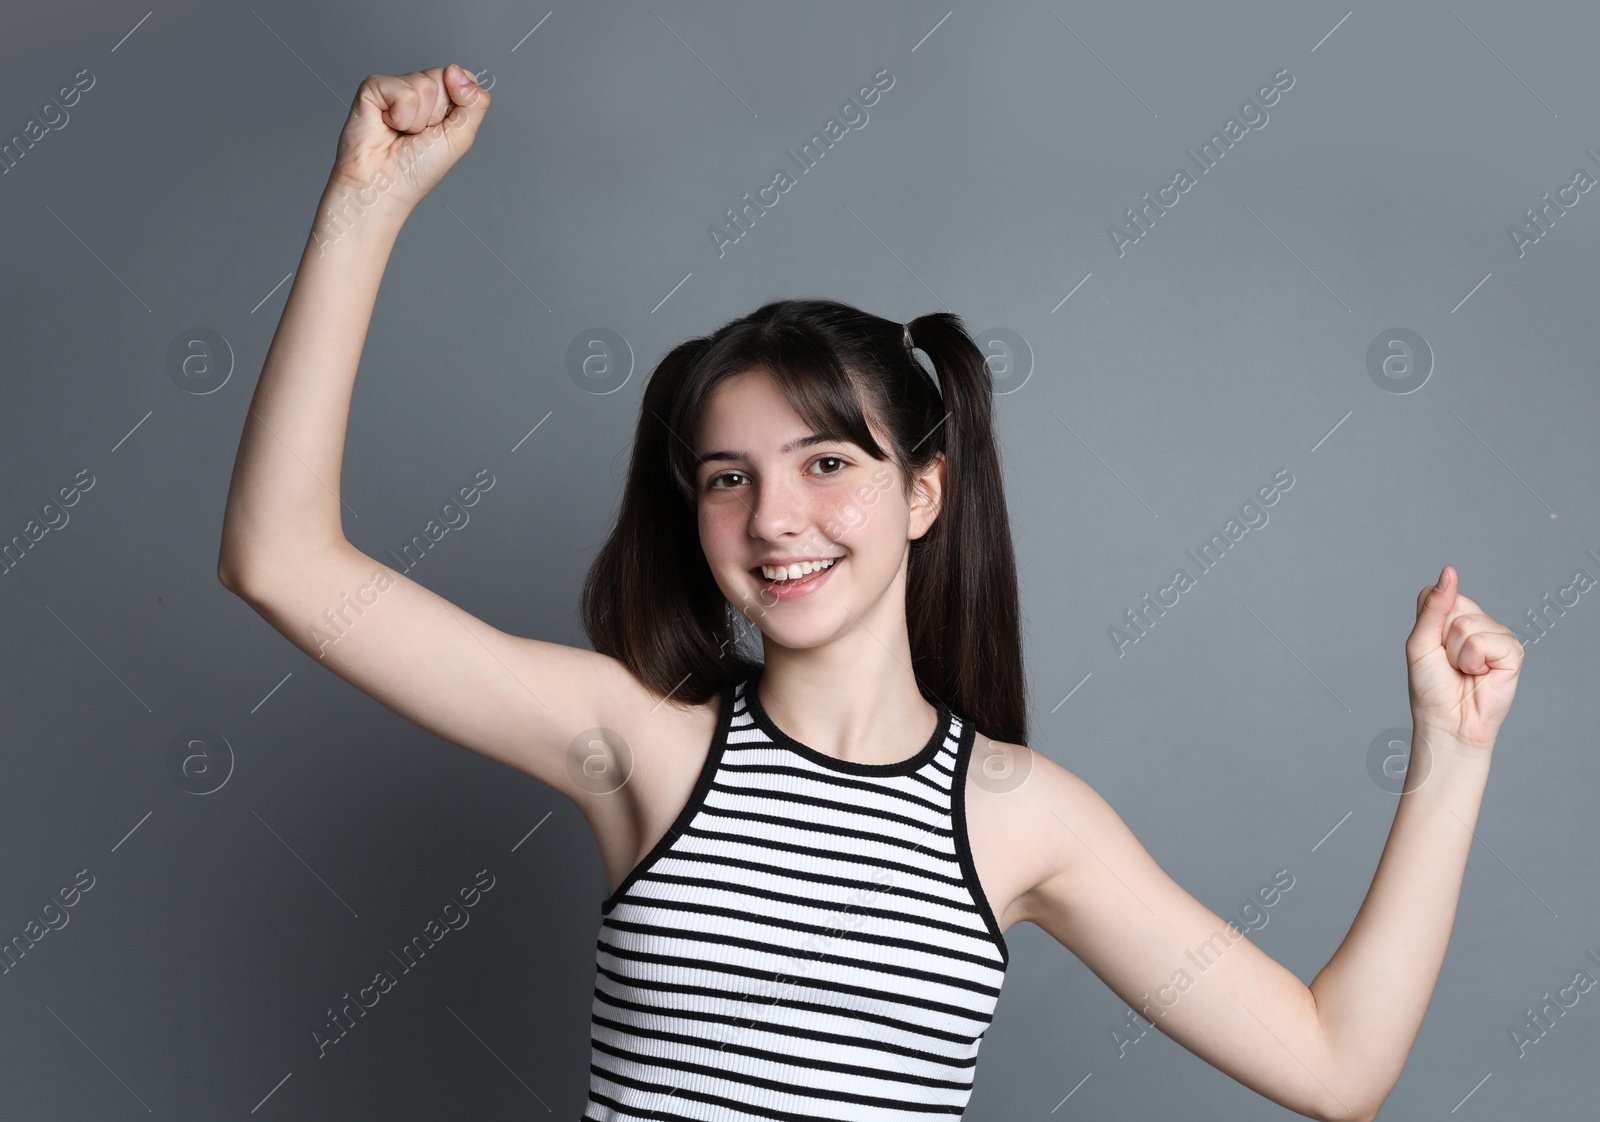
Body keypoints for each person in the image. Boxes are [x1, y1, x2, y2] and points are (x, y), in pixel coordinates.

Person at [217, 64, 1525, 1122]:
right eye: (727, 476)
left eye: (826, 462)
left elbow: (1336, 1064)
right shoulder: (641, 742)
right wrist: (362, 206)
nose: (774, 515)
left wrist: (1453, 753)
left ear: (923, 493)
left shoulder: (1023, 821)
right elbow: (283, 559)